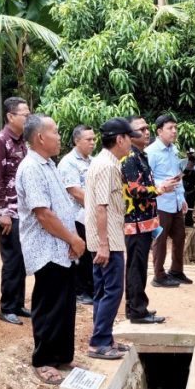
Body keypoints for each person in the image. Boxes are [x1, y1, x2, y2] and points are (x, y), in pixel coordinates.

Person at [14, 114, 87, 386]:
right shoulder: (31, 168)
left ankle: (62, 356)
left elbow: (62, 207)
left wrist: (71, 240)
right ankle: (44, 360)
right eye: (55, 132)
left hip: (62, 247)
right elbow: (44, 214)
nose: (59, 137)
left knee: (65, 304)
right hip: (46, 248)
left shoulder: (49, 164)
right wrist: (73, 239)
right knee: (49, 304)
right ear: (40, 137)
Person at [85, 119, 137, 359]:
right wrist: (104, 244)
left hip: (104, 237)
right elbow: (101, 207)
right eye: (129, 138)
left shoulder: (103, 162)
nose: (131, 142)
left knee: (102, 290)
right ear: (119, 139)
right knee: (113, 290)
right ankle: (98, 342)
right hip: (109, 239)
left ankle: (105, 337)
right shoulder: (107, 166)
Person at [122, 116, 180, 324]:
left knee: (138, 266)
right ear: (129, 135)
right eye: (141, 129)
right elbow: (135, 190)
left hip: (145, 221)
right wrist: (160, 189)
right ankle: (137, 311)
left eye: (147, 128)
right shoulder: (130, 158)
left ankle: (135, 307)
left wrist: (160, 186)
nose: (146, 132)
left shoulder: (141, 155)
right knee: (136, 267)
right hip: (136, 222)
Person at [0, 96, 32, 325]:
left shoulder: (22, 142)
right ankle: (6, 308)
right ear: (10, 116)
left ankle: (17, 304)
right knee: (12, 259)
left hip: (22, 210)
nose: (28, 118)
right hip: (8, 212)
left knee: (22, 258)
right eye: (25, 114)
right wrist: (2, 212)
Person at [147, 115, 191, 287]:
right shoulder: (151, 152)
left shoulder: (173, 149)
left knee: (180, 236)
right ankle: (158, 275)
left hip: (175, 201)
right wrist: (162, 185)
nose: (174, 131)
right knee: (161, 239)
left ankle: (176, 271)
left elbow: (177, 175)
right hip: (161, 203)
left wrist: (182, 197)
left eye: (175, 127)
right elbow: (146, 178)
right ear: (159, 131)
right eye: (170, 128)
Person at [58, 124, 97, 305]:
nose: (92, 142)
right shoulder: (68, 162)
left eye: (94, 139)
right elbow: (75, 191)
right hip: (76, 216)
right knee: (81, 253)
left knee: (91, 252)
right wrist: (97, 206)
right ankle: (80, 291)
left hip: (91, 215)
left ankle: (90, 288)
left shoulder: (92, 161)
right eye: (88, 139)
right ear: (77, 141)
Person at [181, 150, 195, 227]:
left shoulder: (194, 171)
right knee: (185, 206)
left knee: (190, 206)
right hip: (185, 191)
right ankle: (186, 222)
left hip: (192, 191)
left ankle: (189, 221)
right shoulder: (184, 170)